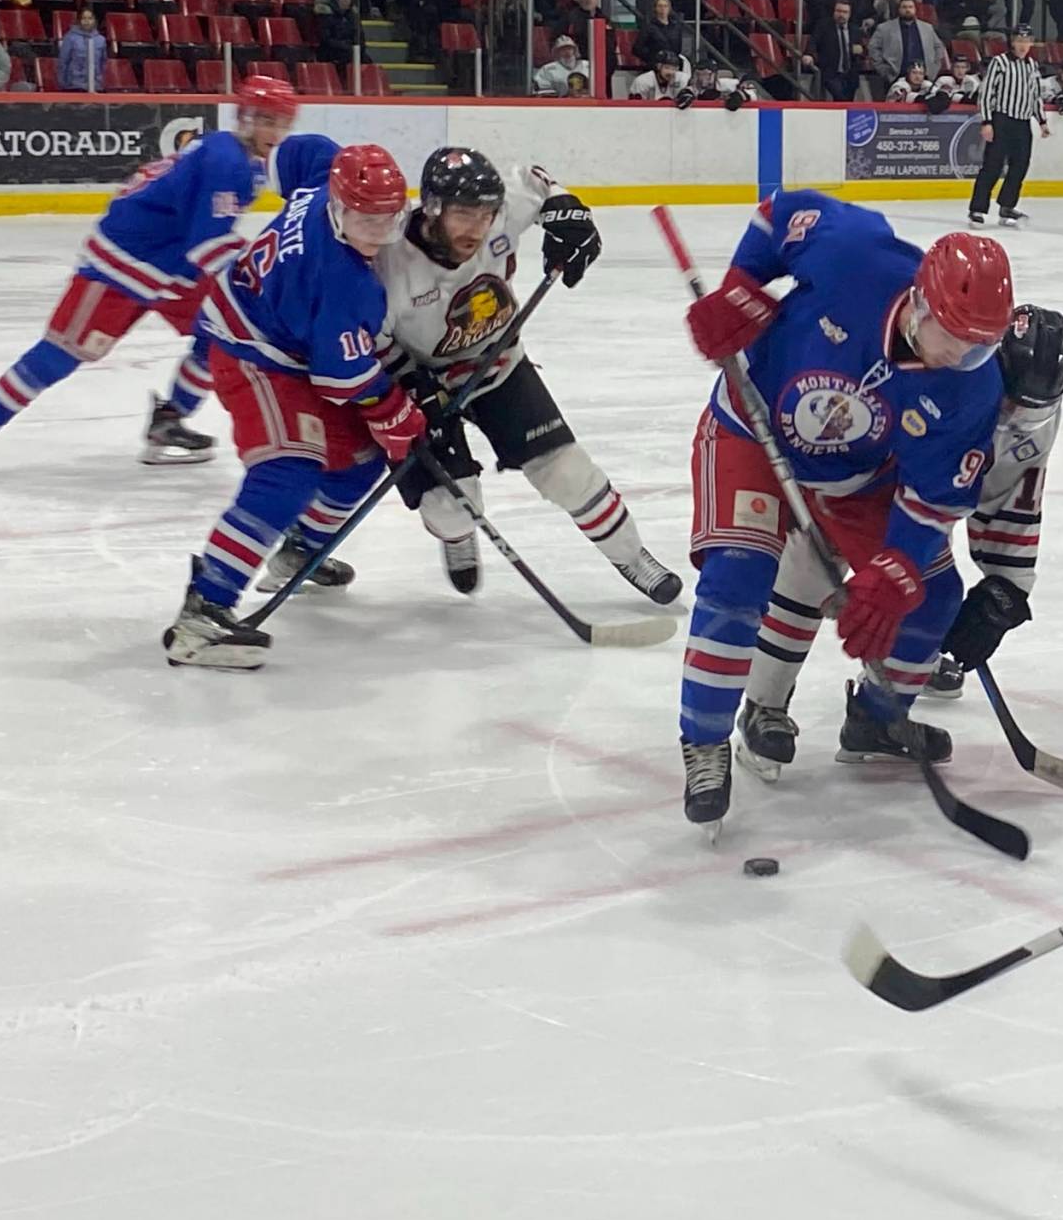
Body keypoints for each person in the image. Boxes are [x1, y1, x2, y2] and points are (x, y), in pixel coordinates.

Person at [671, 194, 1013, 831]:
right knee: (738, 574)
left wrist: (893, 574)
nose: (958, 358)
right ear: (920, 300)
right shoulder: (855, 252)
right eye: (953, 338)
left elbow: (932, 496)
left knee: (932, 598)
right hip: (751, 425)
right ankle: (706, 740)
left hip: (858, 479)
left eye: (978, 348)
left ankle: (877, 721)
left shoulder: (972, 388)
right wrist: (740, 290)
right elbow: (777, 216)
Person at [739, 303, 1063, 777]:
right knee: (815, 560)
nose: (1015, 420)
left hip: (922, 502)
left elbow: (1013, 497)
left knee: (931, 594)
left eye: (1030, 412)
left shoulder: (1029, 425)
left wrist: (1004, 592)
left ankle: (880, 714)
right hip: (858, 481)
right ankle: (763, 705)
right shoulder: (933, 372)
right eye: (1008, 404)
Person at [0, 78, 304, 480]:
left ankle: (169, 421)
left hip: (175, 260)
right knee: (65, 351)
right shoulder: (227, 162)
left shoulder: (244, 161)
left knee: (219, 331)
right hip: (123, 259)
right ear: (245, 118)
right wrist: (263, 278)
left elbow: (203, 240)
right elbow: (208, 245)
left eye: (282, 122)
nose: (274, 132)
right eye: (266, 120)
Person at [376, 148, 681, 603]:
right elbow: (370, 339)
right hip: (419, 381)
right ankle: (458, 537)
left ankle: (632, 556)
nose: (477, 228)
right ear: (434, 207)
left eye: (485, 215)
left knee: (567, 472)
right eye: (463, 214)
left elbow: (537, 182)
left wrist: (567, 210)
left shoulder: (502, 211)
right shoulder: (388, 261)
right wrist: (411, 383)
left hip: (495, 362)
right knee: (451, 506)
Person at [163, 143, 423, 669]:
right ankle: (204, 611)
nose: (374, 229)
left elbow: (293, 154)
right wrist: (397, 413)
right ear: (337, 204)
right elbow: (342, 376)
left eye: (385, 217)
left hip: (286, 343)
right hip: (250, 349)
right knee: (289, 473)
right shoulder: (343, 281)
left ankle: (299, 552)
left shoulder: (319, 180)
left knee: (360, 459)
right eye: (360, 217)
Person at [969, 25, 1049, 227]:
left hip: (1022, 122)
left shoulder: (1032, 65)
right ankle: (977, 208)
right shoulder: (1000, 62)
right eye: (1019, 41)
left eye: (1027, 41)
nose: (1023, 46)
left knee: (1020, 165)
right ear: (1012, 42)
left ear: (1031, 43)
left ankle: (1007, 206)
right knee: (993, 165)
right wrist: (987, 121)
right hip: (1002, 120)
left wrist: (1041, 121)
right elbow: (987, 93)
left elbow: (1035, 95)